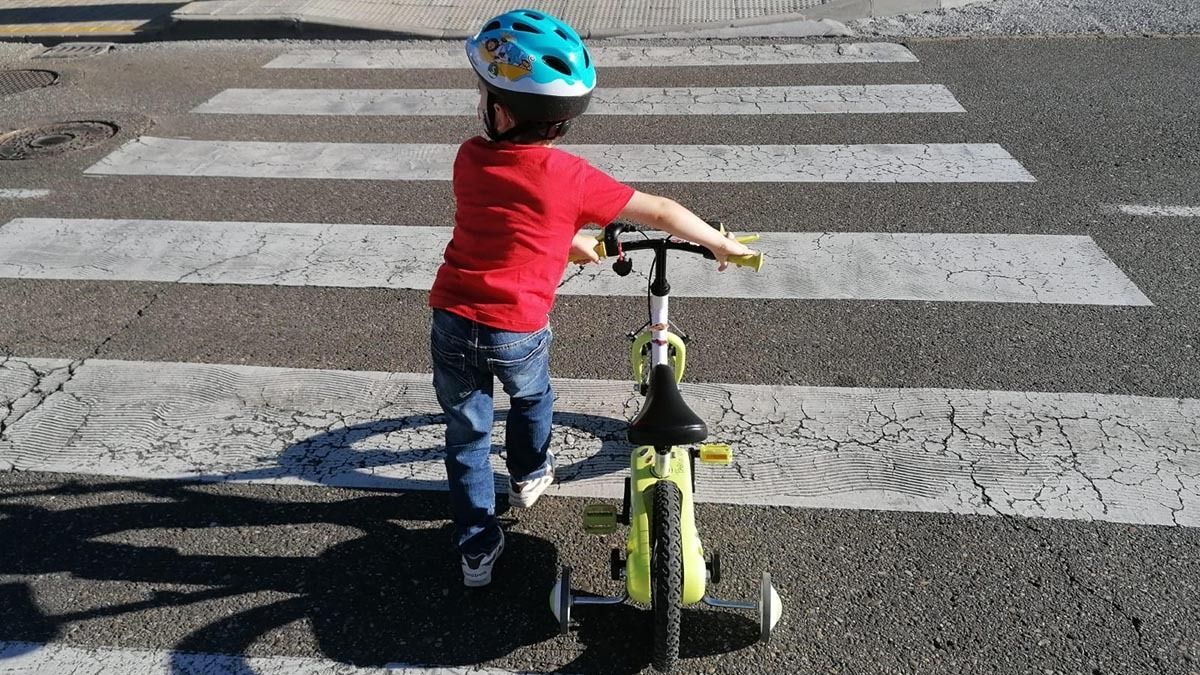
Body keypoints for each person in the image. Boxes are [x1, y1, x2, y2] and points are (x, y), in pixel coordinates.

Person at [429, 8, 757, 587]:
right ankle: (529, 473)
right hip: (517, 327)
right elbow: (660, 211)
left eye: (483, 95)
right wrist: (718, 241)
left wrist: (565, 240)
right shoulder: (570, 176)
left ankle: (476, 549)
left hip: (454, 319)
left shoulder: (469, 158)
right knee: (532, 398)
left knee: (467, 436)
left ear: (501, 112)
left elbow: (505, 223)